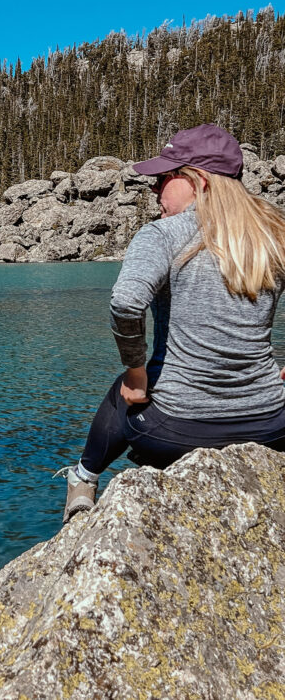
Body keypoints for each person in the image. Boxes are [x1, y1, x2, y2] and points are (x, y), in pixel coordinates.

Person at [58, 123, 285, 524]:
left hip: (176, 431)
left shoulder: (163, 234)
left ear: (196, 180)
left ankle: (82, 480)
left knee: (124, 386)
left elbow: (127, 303)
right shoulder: (275, 232)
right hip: (272, 425)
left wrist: (136, 374)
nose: (153, 190)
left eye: (163, 178)